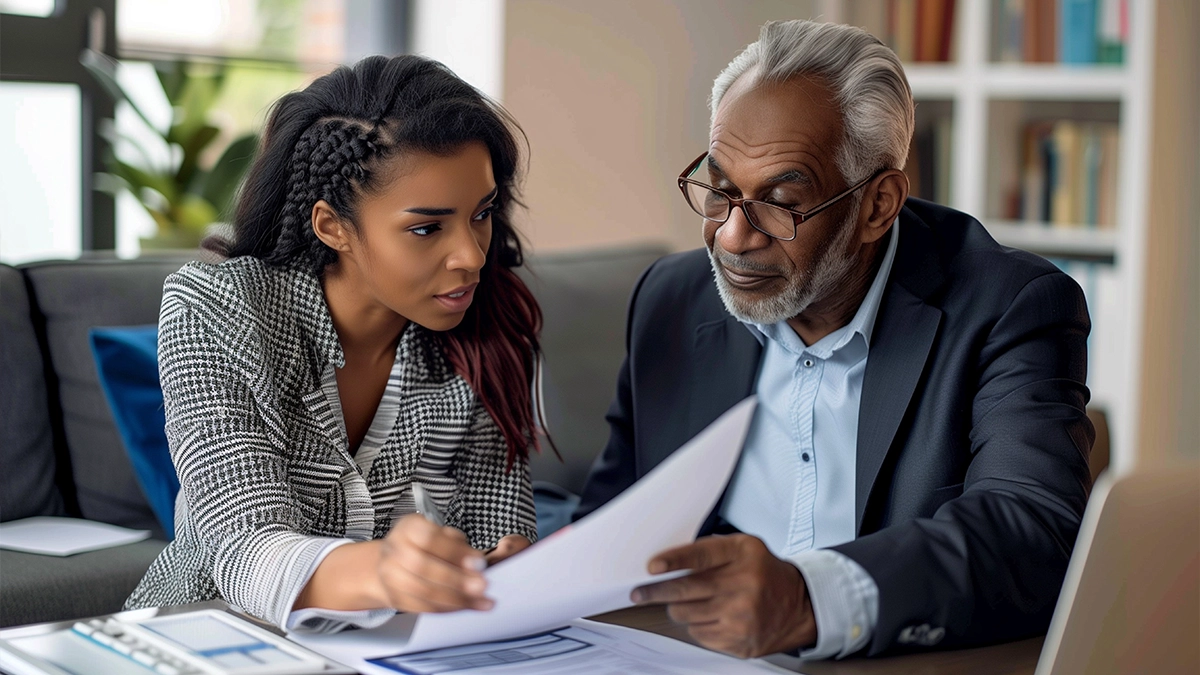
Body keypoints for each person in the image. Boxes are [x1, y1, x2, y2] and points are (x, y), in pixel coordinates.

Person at [576, 20, 1094, 659]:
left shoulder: (1008, 306)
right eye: (719, 190)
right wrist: (516, 568)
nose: (733, 237)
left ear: (878, 205)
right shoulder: (672, 300)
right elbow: (610, 521)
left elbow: (1033, 530)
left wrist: (806, 598)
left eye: (782, 203)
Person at [126, 55, 545, 631]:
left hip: (407, 650)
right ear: (332, 226)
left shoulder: (488, 330)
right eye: (427, 228)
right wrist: (385, 572)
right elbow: (241, 541)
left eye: (482, 214)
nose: (472, 255)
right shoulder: (219, 307)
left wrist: (508, 566)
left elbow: (499, 530)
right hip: (206, 635)